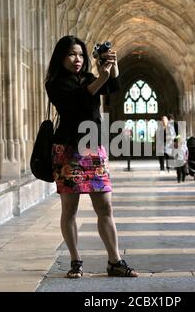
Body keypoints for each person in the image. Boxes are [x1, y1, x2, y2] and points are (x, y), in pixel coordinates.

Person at [45, 35, 138, 278]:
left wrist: (112, 65)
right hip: (68, 150)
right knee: (70, 209)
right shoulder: (55, 82)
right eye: (71, 54)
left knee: (105, 206)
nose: (77, 59)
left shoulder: (88, 78)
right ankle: (75, 261)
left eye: (80, 55)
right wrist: (102, 79)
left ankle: (115, 261)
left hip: (93, 147)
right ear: (61, 57)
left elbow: (112, 87)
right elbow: (77, 100)